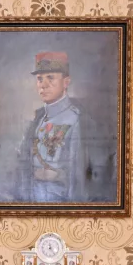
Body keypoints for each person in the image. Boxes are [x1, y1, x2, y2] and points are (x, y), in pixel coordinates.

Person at [19, 51, 87, 203]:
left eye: (50, 77)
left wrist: (58, 175)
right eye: (39, 79)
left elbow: (78, 177)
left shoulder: (75, 120)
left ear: (66, 82)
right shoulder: (38, 119)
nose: (43, 85)